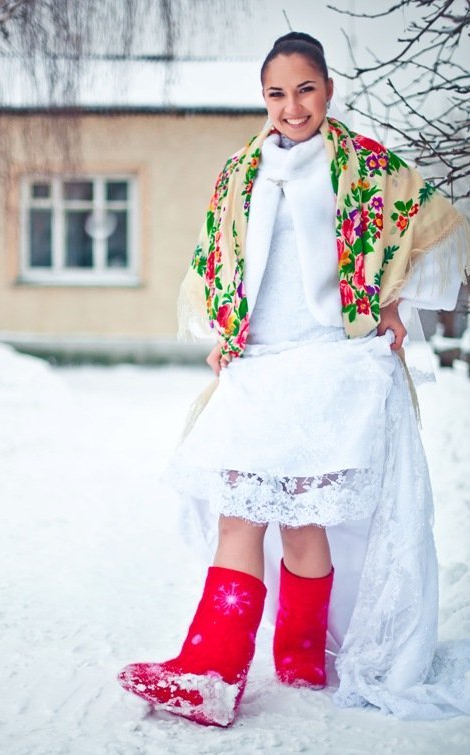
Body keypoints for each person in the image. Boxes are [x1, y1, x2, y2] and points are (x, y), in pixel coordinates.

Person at [118, 32, 470, 726]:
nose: (292, 106)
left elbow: (430, 225)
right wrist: (226, 331)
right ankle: (214, 671)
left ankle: (299, 659)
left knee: (304, 521)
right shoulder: (240, 172)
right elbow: (217, 259)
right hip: (260, 366)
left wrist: (394, 306)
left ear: (328, 89)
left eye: (305, 89)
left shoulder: (365, 167)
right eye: (277, 93)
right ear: (263, 97)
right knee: (239, 509)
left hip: (331, 365)